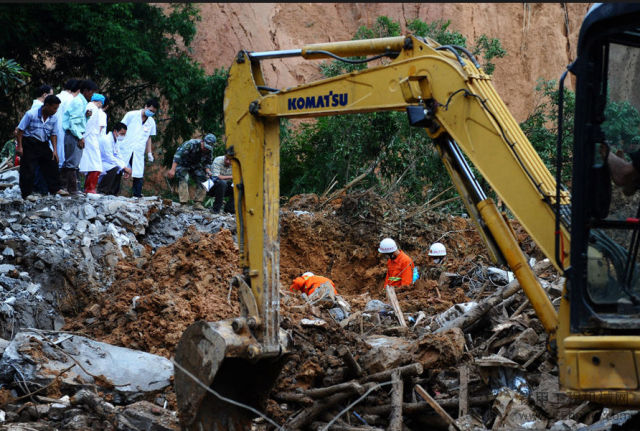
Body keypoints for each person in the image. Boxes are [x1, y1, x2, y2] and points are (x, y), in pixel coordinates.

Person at [15, 95, 68, 199]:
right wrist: (20, 147)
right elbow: (20, 130)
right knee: (28, 168)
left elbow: (53, 134)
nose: (55, 111)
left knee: (51, 163)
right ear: (46, 106)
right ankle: (26, 193)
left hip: (43, 143)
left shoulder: (54, 118)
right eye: (54, 108)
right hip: (30, 143)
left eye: (57, 108)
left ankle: (55, 188)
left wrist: (55, 151)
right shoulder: (31, 114)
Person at [61, 79, 98, 194]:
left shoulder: (82, 103)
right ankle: (71, 189)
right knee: (72, 162)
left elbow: (79, 121)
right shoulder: (78, 102)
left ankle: (66, 187)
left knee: (73, 162)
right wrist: (80, 137)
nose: (92, 96)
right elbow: (73, 123)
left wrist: (86, 117)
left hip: (75, 134)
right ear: (85, 91)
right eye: (91, 92)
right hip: (73, 135)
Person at [117, 99, 158, 198]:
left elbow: (149, 137)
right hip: (125, 147)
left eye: (153, 112)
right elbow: (120, 128)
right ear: (145, 106)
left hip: (138, 150)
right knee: (118, 169)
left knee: (138, 172)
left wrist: (149, 152)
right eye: (150, 110)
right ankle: (112, 191)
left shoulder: (151, 122)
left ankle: (137, 194)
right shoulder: (131, 115)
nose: (151, 113)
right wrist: (118, 142)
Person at [166, 134, 217, 210]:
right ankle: (184, 204)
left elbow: (207, 162)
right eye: (205, 147)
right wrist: (173, 170)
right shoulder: (191, 144)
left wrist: (208, 172)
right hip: (183, 163)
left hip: (195, 164)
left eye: (208, 148)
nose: (206, 149)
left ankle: (198, 203)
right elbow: (177, 156)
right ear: (202, 142)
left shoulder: (209, 151)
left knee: (203, 179)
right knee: (184, 178)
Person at [78, 94, 104, 194]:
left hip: (91, 137)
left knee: (93, 164)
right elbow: (88, 123)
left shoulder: (90, 107)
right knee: (95, 164)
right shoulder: (92, 108)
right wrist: (82, 136)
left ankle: (89, 188)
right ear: (100, 102)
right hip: (89, 137)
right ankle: (89, 188)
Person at [97, 122, 131, 195]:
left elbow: (119, 155)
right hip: (101, 162)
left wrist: (124, 167)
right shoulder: (106, 140)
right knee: (115, 168)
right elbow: (109, 157)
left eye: (124, 134)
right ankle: (102, 190)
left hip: (108, 163)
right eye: (122, 134)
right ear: (115, 131)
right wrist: (123, 167)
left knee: (119, 168)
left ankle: (111, 192)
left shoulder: (116, 141)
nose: (123, 136)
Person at [54, 79, 80, 168]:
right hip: (64, 132)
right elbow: (72, 119)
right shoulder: (71, 99)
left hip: (53, 130)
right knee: (63, 158)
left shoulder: (57, 96)